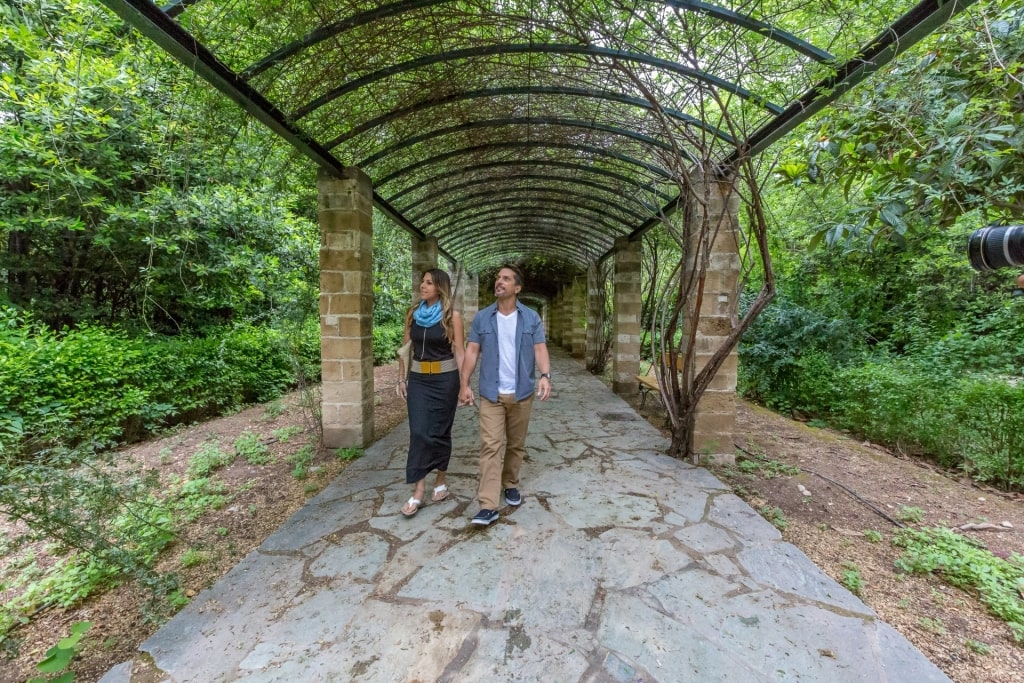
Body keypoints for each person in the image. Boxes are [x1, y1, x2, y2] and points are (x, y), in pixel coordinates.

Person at [459, 264, 551, 526]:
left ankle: (510, 483)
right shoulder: (482, 318)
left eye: (506, 279)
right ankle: (488, 505)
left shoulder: (531, 318)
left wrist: (545, 376)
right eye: (498, 278)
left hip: (522, 392)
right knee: (490, 446)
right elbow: (472, 351)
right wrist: (464, 384)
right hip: (491, 393)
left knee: (516, 444)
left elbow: (540, 349)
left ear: (517, 288)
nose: (499, 282)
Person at [397, 269, 466, 517]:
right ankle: (418, 491)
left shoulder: (451, 317)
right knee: (418, 431)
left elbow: (460, 353)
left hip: (445, 380)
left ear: (440, 287)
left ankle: (440, 480)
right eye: (422, 282)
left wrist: (465, 384)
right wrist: (401, 379)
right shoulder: (413, 314)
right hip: (418, 380)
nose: (422, 286)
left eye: (428, 283)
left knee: (439, 431)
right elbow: (405, 349)